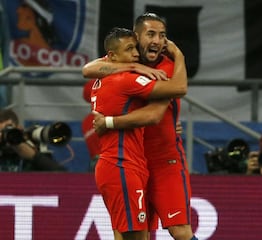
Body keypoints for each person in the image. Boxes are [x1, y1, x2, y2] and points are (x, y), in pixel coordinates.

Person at [83, 13, 198, 240]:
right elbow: (87, 69)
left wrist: (109, 122)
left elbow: (155, 114)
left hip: (165, 161)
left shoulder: (167, 66)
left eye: (162, 35)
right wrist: (134, 67)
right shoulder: (126, 59)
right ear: (136, 37)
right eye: (151, 34)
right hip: (134, 161)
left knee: (180, 231)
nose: (157, 40)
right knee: (132, 233)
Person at [0, 108, 67, 172]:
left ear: (19, 129)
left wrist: (34, 156)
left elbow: (63, 177)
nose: (4, 136)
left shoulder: (30, 151)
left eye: (8, 130)